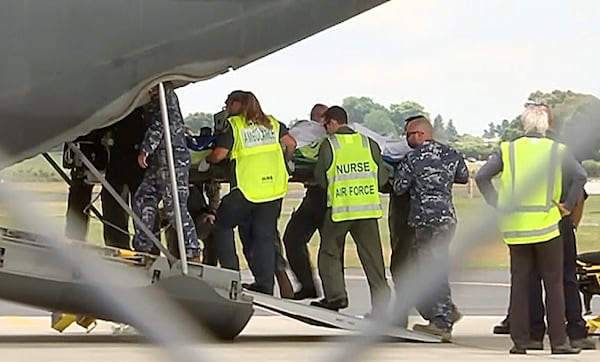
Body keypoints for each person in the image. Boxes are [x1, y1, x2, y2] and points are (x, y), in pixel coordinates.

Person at [475, 104, 585, 355]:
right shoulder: (557, 150)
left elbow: (482, 176)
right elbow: (579, 176)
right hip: (547, 224)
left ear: (525, 125)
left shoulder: (509, 149)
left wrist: (496, 203)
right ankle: (559, 342)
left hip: (515, 226)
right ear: (546, 126)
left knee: (520, 283)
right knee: (554, 284)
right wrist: (567, 205)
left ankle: (520, 341)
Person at [203, 90, 296, 295]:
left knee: (222, 225)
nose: (226, 108)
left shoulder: (235, 125)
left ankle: (231, 277)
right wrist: (284, 160)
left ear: (237, 104)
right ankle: (265, 284)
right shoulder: (272, 123)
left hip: (247, 189)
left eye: (228, 103)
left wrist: (207, 160)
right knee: (263, 236)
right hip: (273, 190)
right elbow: (291, 144)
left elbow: (219, 154)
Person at [392, 117, 469, 341]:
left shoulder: (412, 158)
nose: (407, 139)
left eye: (408, 134)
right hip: (447, 219)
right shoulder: (451, 154)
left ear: (420, 134)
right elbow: (463, 177)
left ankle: (443, 321)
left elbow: (399, 188)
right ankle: (444, 312)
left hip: (425, 221)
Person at [311, 105, 390, 315]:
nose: (326, 130)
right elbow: (382, 179)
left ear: (333, 122)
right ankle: (382, 308)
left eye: (326, 125)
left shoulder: (330, 145)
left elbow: (320, 178)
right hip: (367, 211)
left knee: (329, 253)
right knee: (374, 261)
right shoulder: (369, 143)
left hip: (341, 210)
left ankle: (336, 296)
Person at [131, 82, 200, 262]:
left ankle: (192, 251)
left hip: (172, 158)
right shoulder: (155, 98)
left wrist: (146, 149)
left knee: (174, 207)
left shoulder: (164, 95)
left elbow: (162, 122)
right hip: (160, 159)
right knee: (143, 197)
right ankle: (143, 246)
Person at [282, 103, 334, 300]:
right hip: (314, 195)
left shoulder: (333, 137)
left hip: (329, 197)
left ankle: (334, 296)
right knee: (293, 238)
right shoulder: (308, 129)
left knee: (329, 249)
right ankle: (308, 286)